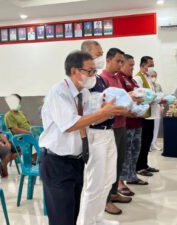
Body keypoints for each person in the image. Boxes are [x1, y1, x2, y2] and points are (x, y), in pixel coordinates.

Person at [39, 51, 128, 225]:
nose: (93, 75)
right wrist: (103, 112)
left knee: (73, 213)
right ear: (74, 71)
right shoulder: (59, 92)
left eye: (94, 71)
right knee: (61, 218)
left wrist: (112, 112)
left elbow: (89, 120)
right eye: (89, 71)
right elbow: (71, 124)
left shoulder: (83, 93)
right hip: (56, 162)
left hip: (76, 161)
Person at [79, 40, 120, 224]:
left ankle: (97, 218)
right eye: (98, 54)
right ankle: (86, 221)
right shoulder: (83, 83)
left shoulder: (101, 80)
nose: (101, 57)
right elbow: (87, 114)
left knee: (108, 178)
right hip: (95, 134)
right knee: (94, 183)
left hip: (108, 131)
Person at [100, 48, 133, 215]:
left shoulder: (117, 78)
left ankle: (113, 193)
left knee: (118, 162)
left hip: (121, 125)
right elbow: (106, 106)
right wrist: (125, 109)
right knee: (108, 165)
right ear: (108, 60)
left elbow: (123, 100)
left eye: (122, 62)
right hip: (110, 127)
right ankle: (105, 201)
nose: (121, 64)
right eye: (118, 61)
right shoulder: (103, 79)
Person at [118, 54, 149, 189]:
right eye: (130, 65)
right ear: (122, 64)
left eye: (133, 65)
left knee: (135, 150)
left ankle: (132, 176)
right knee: (126, 152)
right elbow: (123, 99)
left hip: (137, 120)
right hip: (127, 122)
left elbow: (140, 95)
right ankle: (121, 181)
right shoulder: (120, 79)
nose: (132, 68)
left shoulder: (133, 80)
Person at [133, 56, 159, 177]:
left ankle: (145, 164)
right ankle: (139, 166)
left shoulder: (148, 78)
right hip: (143, 114)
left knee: (148, 141)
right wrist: (154, 98)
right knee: (143, 142)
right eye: (150, 65)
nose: (152, 67)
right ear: (143, 65)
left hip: (151, 113)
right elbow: (141, 95)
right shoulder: (138, 78)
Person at [149, 70, 163, 151]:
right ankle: (148, 144)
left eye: (155, 76)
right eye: (152, 76)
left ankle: (154, 143)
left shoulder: (158, 86)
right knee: (149, 126)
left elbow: (161, 96)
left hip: (157, 107)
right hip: (149, 107)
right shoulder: (148, 85)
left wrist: (162, 106)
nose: (154, 78)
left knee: (156, 126)